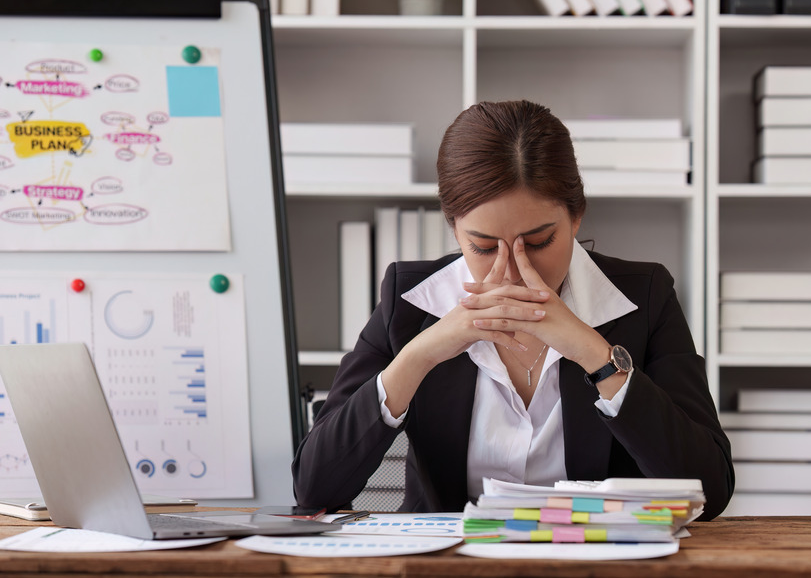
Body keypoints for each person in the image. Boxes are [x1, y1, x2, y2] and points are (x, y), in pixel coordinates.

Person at [292, 100, 734, 519]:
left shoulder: (645, 296)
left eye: (539, 242)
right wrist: (420, 355)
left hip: (595, 561)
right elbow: (315, 489)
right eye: (483, 247)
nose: (512, 271)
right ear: (454, 228)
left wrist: (596, 357)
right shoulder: (408, 301)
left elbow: (710, 491)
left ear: (577, 216)